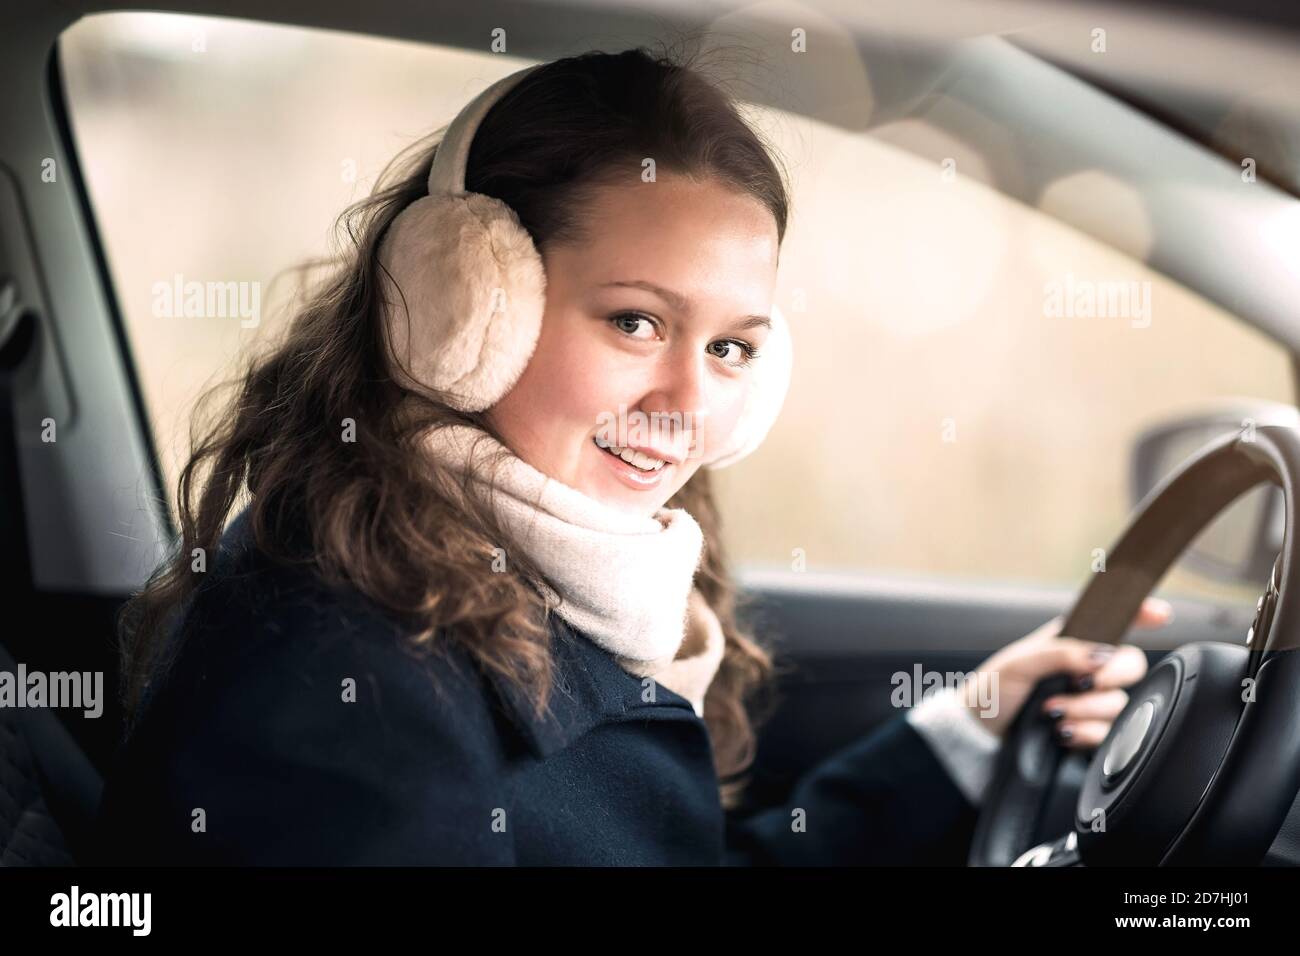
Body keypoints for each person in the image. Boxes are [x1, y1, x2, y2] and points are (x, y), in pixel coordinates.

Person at [88, 45, 1163, 866]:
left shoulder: (537, 577)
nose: (692, 401)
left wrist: (964, 730)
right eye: (636, 323)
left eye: (733, 345)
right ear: (466, 306)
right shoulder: (342, 677)